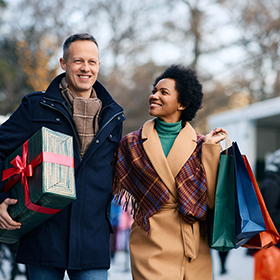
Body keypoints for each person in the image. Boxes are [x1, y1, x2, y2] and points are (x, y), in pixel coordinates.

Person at [0, 33, 125, 280]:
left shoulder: (113, 116)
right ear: (63, 63)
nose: (85, 68)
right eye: (78, 61)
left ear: (98, 65)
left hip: (92, 239)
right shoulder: (36, 106)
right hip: (43, 236)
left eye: (92, 62)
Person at [113, 64, 227, 280]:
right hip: (151, 244)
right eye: (154, 90)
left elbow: (213, 201)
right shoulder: (131, 143)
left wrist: (211, 151)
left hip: (193, 248)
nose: (153, 96)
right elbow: (112, 186)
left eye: (163, 92)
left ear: (182, 103)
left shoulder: (203, 144)